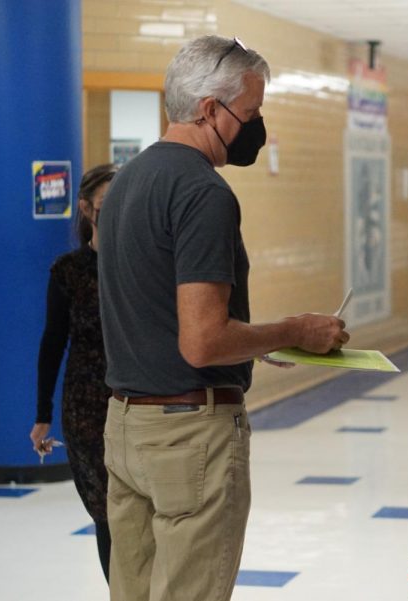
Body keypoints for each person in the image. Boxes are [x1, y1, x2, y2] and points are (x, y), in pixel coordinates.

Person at [96, 35, 350, 601]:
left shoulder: (125, 184)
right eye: (252, 113)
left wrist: (255, 342)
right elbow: (203, 342)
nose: (255, 128)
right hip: (190, 437)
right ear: (210, 109)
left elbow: (159, 312)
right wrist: (296, 330)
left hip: (126, 428)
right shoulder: (202, 191)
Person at [29, 163, 118, 581]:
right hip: (86, 406)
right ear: (85, 208)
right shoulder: (68, 271)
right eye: (105, 204)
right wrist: (42, 413)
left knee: (140, 510)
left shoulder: (145, 266)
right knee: (107, 512)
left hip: (140, 400)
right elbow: (52, 343)